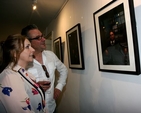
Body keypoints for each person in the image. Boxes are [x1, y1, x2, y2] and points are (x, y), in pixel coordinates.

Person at [21, 24, 68, 113]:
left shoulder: (51, 55)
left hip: (52, 108)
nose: (43, 39)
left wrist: (59, 87)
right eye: (38, 38)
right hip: (33, 110)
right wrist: (35, 88)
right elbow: (17, 88)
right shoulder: (23, 61)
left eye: (42, 36)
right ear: (28, 42)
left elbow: (63, 70)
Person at [0, 34, 47, 113]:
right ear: (14, 53)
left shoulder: (22, 73)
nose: (33, 50)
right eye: (27, 47)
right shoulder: (10, 77)